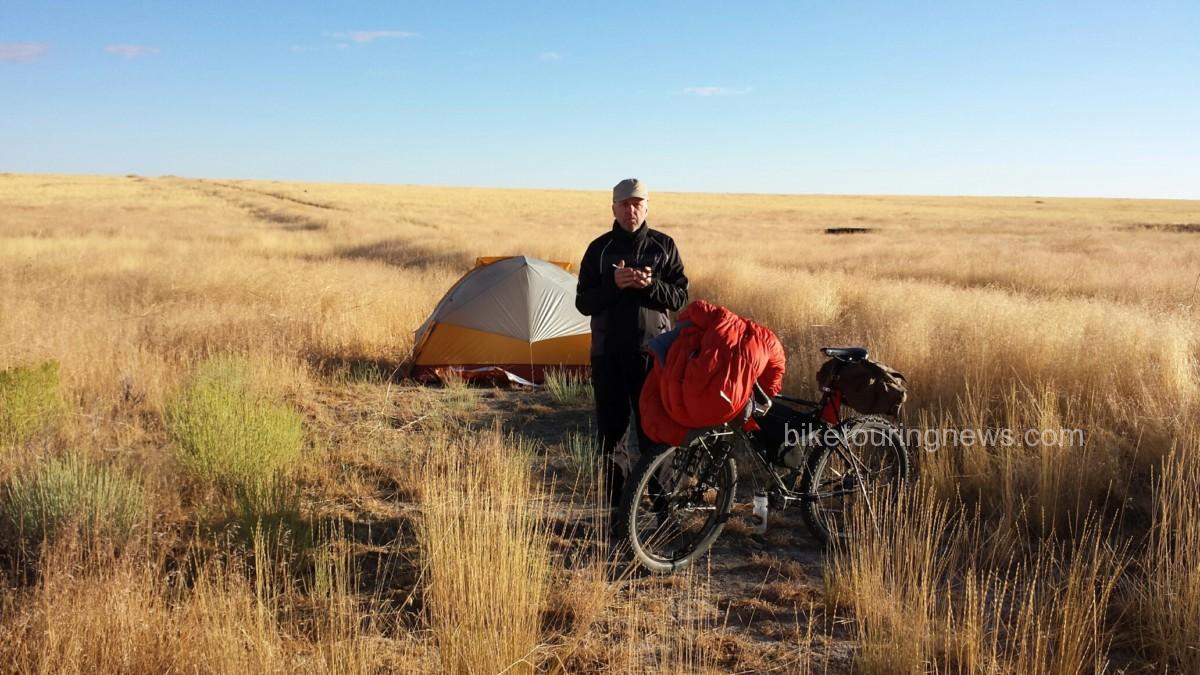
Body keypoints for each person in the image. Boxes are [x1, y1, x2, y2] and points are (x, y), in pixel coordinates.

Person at [575, 178, 688, 507]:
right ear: (613, 208)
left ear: (647, 206)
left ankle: (662, 507)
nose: (631, 210)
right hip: (608, 356)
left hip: (652, 357)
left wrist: (650, 285)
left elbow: (680, 296)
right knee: (612, 437)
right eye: (624, 204)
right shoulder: (599, 250)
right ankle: (619, 510)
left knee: (655, 431)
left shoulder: (663, 246)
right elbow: (584, 303)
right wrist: (614, 285)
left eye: (637, 203)